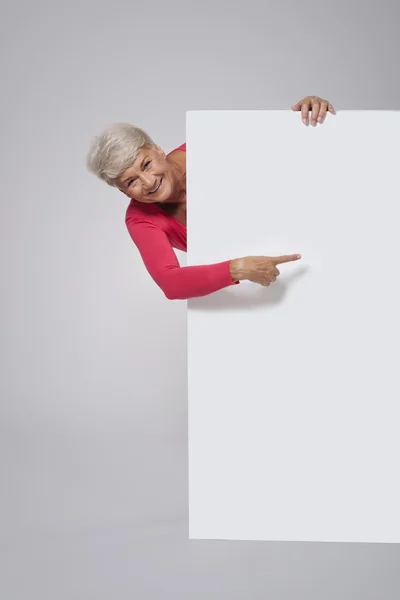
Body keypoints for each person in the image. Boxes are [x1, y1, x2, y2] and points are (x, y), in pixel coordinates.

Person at [86, 96, 334, 300]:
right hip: (263, 294)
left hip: (315, 243)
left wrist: (306, 118)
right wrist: (238, 268)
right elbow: (171, 283)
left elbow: (285, 152)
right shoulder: (140, 219)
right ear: (123, 191)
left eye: (147, 164)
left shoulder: (209, 144)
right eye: (131, 182)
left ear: (157, 149)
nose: (148, 182)